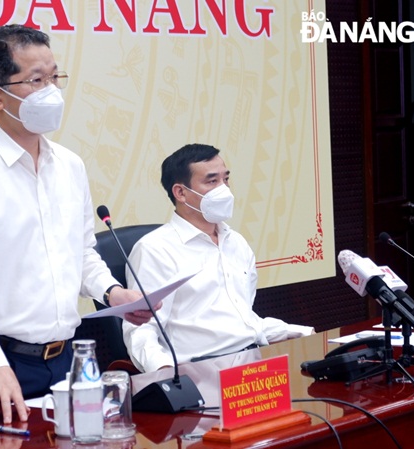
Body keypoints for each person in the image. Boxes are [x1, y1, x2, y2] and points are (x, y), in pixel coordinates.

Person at [0, 25, 150, 425]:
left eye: (54, 77)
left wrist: (114, 293)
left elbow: (83, 252)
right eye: (36, 80)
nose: (52, 91)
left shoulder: (69, 165)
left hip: (68, 358)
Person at [122, 143, 314, 373]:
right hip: (201, 370)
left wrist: (301, 334)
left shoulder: (236, 242)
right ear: (181, 192)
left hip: (255, 364)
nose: (224, 189)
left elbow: (243, 320)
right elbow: (142, 331)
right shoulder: (155, 250)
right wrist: (167, 373)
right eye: (212, 181)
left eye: (226, 179)